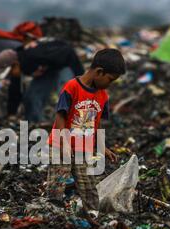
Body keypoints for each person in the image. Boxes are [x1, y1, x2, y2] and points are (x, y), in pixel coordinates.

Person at [45, 48, 125, 217]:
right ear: (99, 72)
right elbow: (60, 116)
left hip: (84, 148)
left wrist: (103, 147)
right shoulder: (72, 87)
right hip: (61, 147)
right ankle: (54, 216)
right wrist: (65, 144)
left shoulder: (103, 95)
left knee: (89, 186)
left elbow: (98, 123)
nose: (109, 84)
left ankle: (93, 216)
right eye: (110, 79)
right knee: (56, 186)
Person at [0, 40, 84, 123]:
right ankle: (35, 124)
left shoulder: (34, 55)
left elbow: (67, 52)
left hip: (66, 62)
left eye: (10, 71)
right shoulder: (18, 69)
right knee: (31, 97)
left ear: (15, 63)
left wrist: (80, 77)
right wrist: (11, 113)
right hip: (49, 69)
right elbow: (14, 91)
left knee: (65, 94)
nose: (10, 75)